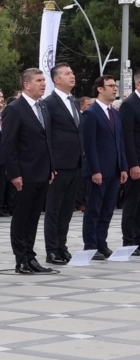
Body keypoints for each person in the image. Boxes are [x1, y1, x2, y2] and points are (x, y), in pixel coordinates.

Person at [2, 68, 54, 274]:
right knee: (21, 217)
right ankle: (21, 258)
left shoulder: (42, 106)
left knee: (33, 217)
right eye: (39, 80)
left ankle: (31, 256)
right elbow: (8, 144)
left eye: (44, 80)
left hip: (42, 171)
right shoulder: (14, 109)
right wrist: (14, 173)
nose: (43, 84)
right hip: (24, 173)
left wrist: (51, 167)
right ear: (26, 85)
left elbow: (47, 140)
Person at [82, 75, 128, 260]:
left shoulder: (114, 113)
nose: (115, 88)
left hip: (114, 170)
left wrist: (123, 167)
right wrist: (95, 170)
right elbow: (89, 145)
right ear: (100, 89)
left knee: (107, 210)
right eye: (110, 86)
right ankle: (90, 246)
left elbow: (120, 142)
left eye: (115, 86)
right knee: (94, 210)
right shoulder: (91, 113)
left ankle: (102, 243)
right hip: (98, 171)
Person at [42, 63, 82, 265]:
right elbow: (48, 134)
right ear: (57, 79)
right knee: (54, 208)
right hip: (58, 164)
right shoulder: (49, 103)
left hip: (75, 163)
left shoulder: (74, 101)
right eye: (68, 73)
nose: (72, 76)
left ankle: (62, 246)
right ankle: (51, 249)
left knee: (67, 209)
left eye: (72, 72)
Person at [119, 70, 140, 256]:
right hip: (137, 162)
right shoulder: (129, 104)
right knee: (132, 202)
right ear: (138, 84)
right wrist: (132, 163)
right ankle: (130, 241)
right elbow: (127, 137)